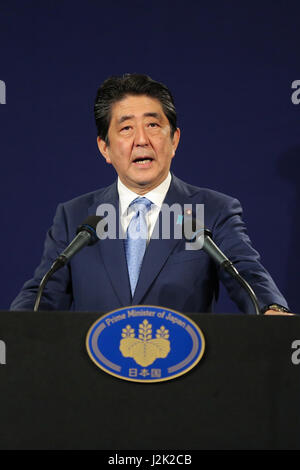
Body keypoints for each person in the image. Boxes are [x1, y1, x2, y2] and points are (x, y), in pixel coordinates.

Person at [10, 74, 292, 315]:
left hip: (185, 371)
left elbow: (246, 272)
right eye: (126, 128)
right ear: (104, 148)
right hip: (93, 373)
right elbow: (43, 295)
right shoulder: (75, 217)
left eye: (153, 125)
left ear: (174, 140)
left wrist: (272, 309)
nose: (141, 140)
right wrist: (13, 330)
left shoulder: (213, 210)